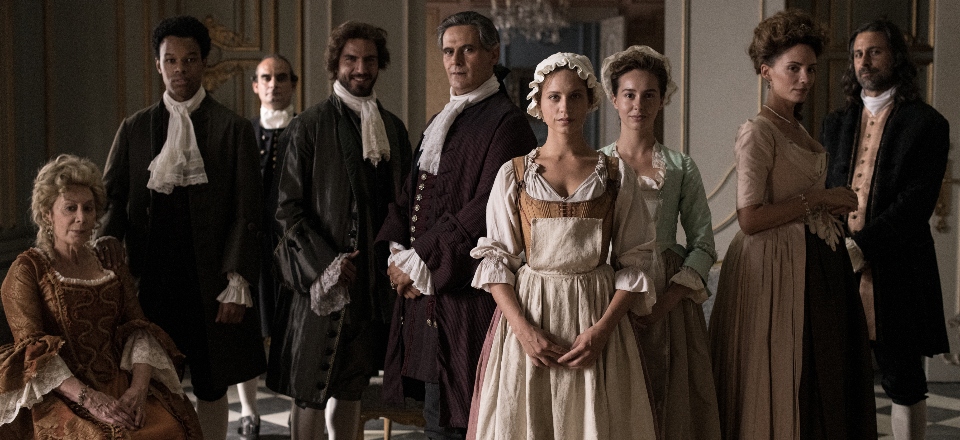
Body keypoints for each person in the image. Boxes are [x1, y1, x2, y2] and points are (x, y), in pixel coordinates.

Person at [466, 52, 659, 440]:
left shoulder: (615, 174)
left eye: (575, 96)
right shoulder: (515, 175)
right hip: (531, 316)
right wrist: (523, 330)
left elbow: (636, 260)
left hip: (595, 316)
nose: (564, 107)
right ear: (538, 103)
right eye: (554, 97)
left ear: (591, 101)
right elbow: (497, 261)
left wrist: (602, 331)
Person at [708, 9, 876, 439]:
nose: (804, 78)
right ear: (767, 72)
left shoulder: (798, 128)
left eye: (811, 69)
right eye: (793, 68)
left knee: (824, 377)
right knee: (784, 376)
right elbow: (749, 218)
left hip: (814, 263)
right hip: (773, 269)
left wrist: (830, 206)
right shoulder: (758, 131)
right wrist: (820, 198)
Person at [99, 15, 265, 440]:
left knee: (212, 385)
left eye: (189, 59)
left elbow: (248, 210)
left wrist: (237, 281)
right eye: (170, 60)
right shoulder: (134, 128)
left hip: (211, 285)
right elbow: (112, 199)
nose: (180, 69)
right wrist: (105, 245)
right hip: (150, 285)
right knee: (151, 384)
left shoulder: (233, 128)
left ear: (204, 62)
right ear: (158, 65)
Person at [375, 11, 537, 439]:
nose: (456, 61)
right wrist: (397, 253)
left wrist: (420, 260)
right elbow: (409, 194)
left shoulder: (508, 123)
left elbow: (486, 208)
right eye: (449, 51)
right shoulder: (439, 120)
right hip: (426, 295)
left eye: (467, 50)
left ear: (493, 54)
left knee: (464, 422)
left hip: (468, 299)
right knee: (436, 419)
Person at [266, 21, 412, 440]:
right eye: (351, 59)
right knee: (309, 391)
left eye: (369, 59)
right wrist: (326, 265)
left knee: (352, 389)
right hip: (321, 282)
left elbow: (402, 204)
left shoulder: (393, 128)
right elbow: (285, 211)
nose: (361, 68)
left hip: (372, 288)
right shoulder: (308, 125)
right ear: (336, 63)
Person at [0, 154, 203, 439]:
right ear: (47, 214)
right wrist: (90, 400)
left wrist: (138, 389)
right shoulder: (29, 269)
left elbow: (138, 328)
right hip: (64, 390)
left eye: (88, 208)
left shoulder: (108, 260)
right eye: (70, 208)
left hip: (120, 383)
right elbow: (32, 353)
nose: (81, 218)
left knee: (171, 426)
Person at [821, 19, 950, 440]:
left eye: (874, 52)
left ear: (895, 57)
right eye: (858, 54)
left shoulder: (927, 123)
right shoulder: (836, 123)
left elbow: (915, 204)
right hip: (840, 266)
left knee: (903, 377)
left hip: (900, 267)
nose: (864, 62)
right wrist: (840, 249)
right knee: (841, 376)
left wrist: (864, 246)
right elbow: (824, 191)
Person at [599, 45, 721, 440]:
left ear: (662, 99)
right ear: (614, 99)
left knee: (669, 397)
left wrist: (668, 300)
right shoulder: (597, 165)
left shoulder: (681, 166)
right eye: (629, 94)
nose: (639, 105)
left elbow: (703, 243)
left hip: (668, 293)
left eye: (649, 94)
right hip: (609, 289)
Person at [235, 53, 299, 440]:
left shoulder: (305, 130)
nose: (274, 84)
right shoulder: (242, 133)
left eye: (281, 77)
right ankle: (248, 410)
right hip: (249, 250)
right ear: (256, 86)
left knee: (293, 330)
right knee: (246, 332)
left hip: (293, 250)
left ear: (293, 84)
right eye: (266, 78)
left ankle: (295, 410)